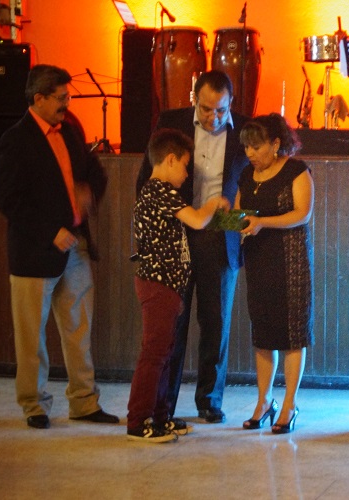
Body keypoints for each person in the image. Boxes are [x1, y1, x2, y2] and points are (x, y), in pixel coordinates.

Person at [0, 64, 118, 429]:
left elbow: (94, 170)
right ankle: (34, 405)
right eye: (61, 97)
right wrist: (51, 231)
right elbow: (8, 199)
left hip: (76, 247)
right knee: (31, 335)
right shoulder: (15, 140)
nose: (67, 104)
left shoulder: (71, 130)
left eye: (68, 96)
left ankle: (84, 402)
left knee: (79, 329)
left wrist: (89, 191)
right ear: (39, 99)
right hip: (35, 252)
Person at [136, 71, 249, 426]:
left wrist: (236, 223)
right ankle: (164, 405)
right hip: (178, 232)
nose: (213, 117)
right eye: (206, 109)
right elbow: (145, 179)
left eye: (221, 110)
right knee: (173, 323)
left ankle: (210, 400)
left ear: (230, 104)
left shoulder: (245, 130)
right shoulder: (170, 122)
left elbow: (247, 185)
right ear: (194, 99)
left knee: (216, 322)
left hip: (220, 235)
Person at [127, 129, 230, 442]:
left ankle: (161, 416)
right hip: (157, 284)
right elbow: (197, 220)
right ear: (170, 160)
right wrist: (214, 203)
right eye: (185, 166)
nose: (187, 174)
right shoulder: (159, 190)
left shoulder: (160, 192)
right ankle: (138, 421)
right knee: (154, 353)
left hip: (168, 286)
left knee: (166, 353)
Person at [235, 114, 314, 434]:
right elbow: (240, 215)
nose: (250, 153)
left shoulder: (296, 170)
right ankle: (264, 401)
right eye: (247, 148)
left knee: (292, 335)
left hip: (290, 261)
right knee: (263, 334)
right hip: (257, 260)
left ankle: (290, 404)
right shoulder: (246, 174)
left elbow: (302, 213)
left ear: (275, 144)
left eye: (256, 147)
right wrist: (227, 217)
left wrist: (262, 223)